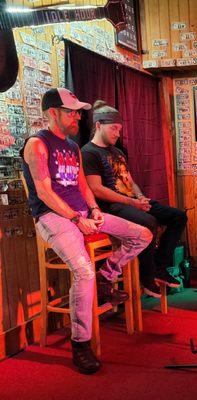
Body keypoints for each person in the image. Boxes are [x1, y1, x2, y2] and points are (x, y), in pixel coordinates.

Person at [21, 88, 152, 374]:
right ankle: (81, 344)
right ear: (53, 113)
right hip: (53, 216)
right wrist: (76, 218)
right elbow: (43, 192)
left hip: (82, 213)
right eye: (72, 112)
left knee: (143, 234)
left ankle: (108, 276)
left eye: (79, 111)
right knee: (83, 270)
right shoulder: (37, 144)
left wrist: (93, 210)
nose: (78, 116)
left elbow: (82, 186)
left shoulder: (71, 146)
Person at [81, 100, 187, 299]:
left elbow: (129, 181)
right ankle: (147, 277)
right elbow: (96, 189)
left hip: (131, 201)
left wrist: (140, 197)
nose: (117, 133)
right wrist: (132, 203)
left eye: (119, 129)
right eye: (114, 128)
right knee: (149, 222)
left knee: (178, 216)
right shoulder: (88, 153)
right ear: (98, 126)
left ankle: (159, 267)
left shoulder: (118, 152)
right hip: (111, 206)